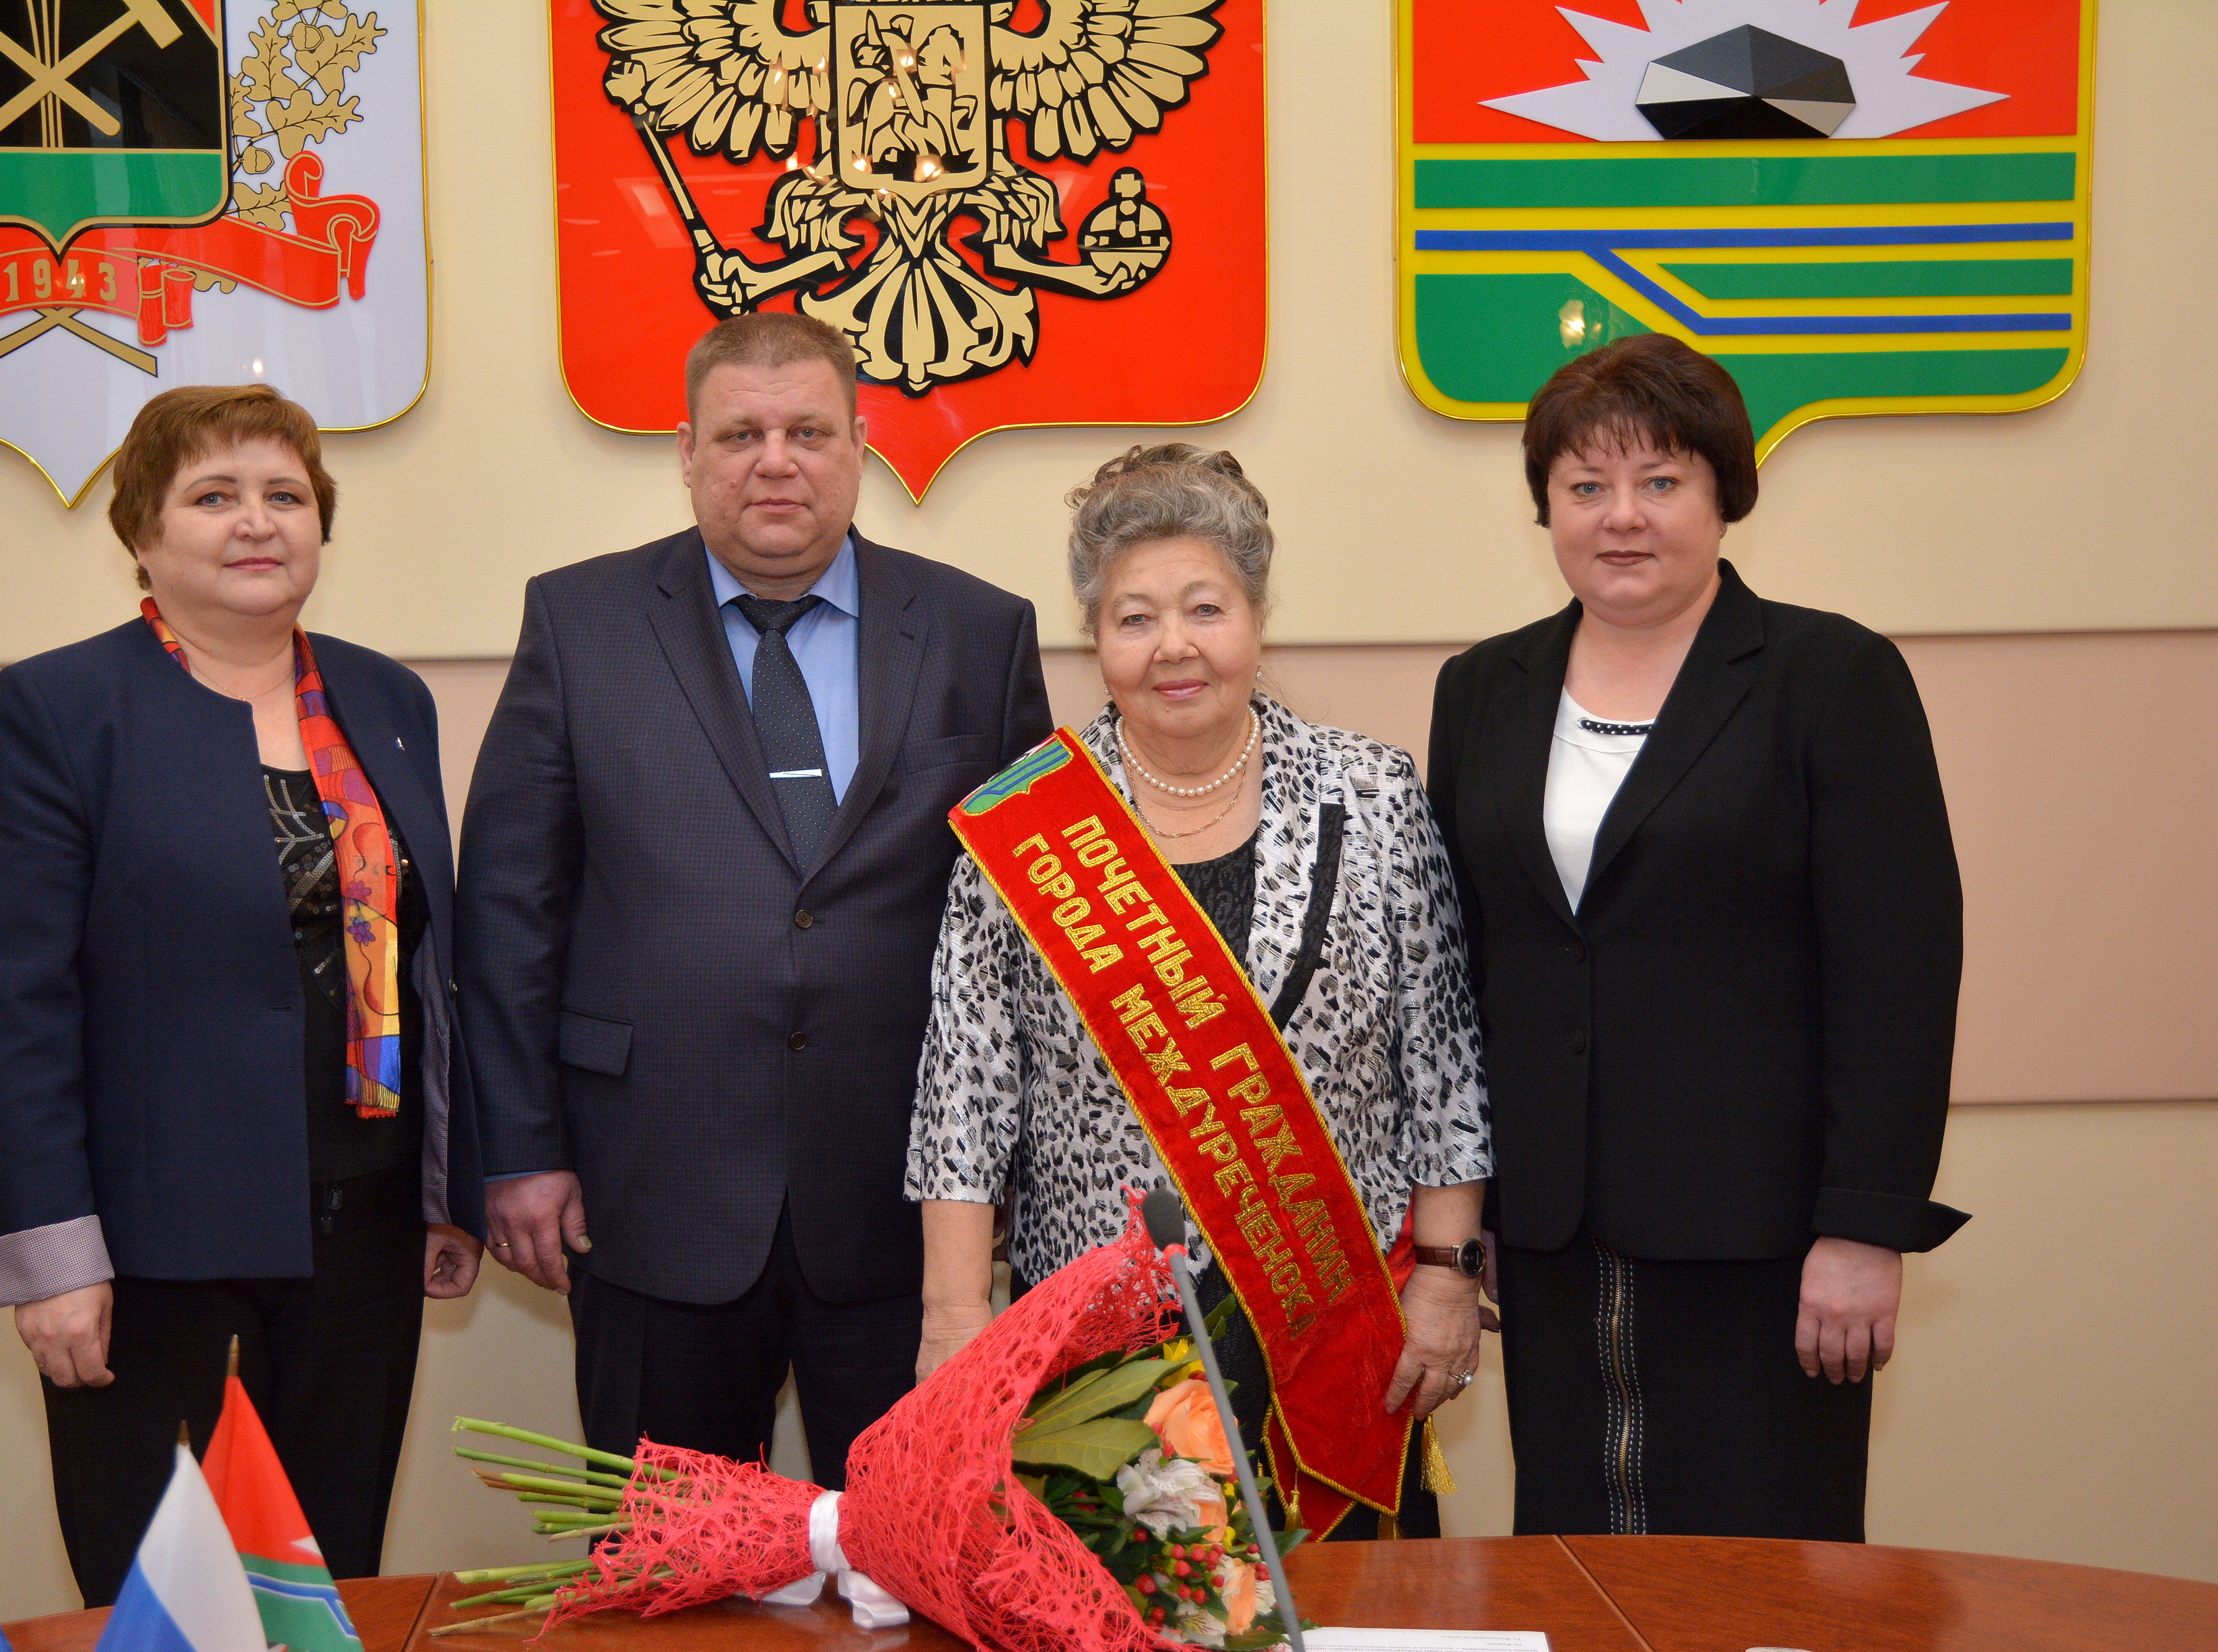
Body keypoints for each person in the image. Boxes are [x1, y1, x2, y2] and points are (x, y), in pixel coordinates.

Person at [458, 312, 1053, 1489]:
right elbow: (510, 907)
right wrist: (519, 1149)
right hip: (648, 1187)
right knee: (667, 1574)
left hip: (904, 1203)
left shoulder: (979, 633)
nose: (773, 460)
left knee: (914, 1563)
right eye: (739, 433)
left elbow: (1030, 928)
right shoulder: (579, 624)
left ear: (859, 443)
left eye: (805, 431)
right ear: (685, 452)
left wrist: (1015, 1172)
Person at [1426, 334, 1967, 1541]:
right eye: (1585, 487)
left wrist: (1866, 1224)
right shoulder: (1484, 688)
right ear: (1546, 507)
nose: (1621, 519)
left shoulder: (1830, 675)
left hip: (1769, 1240)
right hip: (1552, 1234)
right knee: (1575, 1559)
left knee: (1764, 1576)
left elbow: (1900, 969)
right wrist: (1471, 1221)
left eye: (1660, 482)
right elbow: (1466, 968)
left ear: (1725, 495)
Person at [0, 384, 483, 1605]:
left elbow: (431, 963)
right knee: (159, 1597)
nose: (257, 522)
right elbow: (11, 998)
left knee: (328, 1581)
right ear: (143, 532)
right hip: (146, 1255)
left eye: (285, 496)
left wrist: (453, 1181)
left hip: (364, 1223)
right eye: (214, 496)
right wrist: (48, 1260)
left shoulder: (385, 701)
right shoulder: (63, 707)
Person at [908, 444, 1492, 1539]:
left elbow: (1444, 1060)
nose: (1173, 646)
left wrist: (1451, 1277)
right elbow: (962, 1104)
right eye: (1135, 618)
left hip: (1334, 1330)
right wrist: (954, 1319)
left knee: (1346, 1618)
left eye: (1203, 608)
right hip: (1098, 1349)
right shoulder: (1021, 827)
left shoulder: (1371, 795)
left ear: (1257, 616)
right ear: (1097, 639)